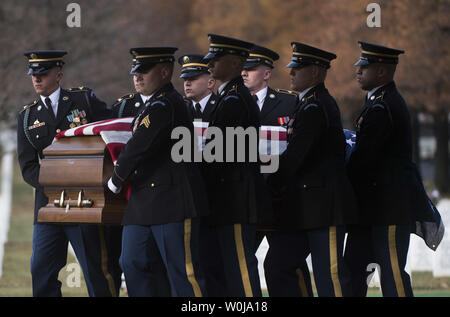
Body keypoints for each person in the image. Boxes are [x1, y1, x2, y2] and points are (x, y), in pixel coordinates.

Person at [107, 47, 208, 297]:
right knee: (132, 263)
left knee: (183, 275)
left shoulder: (166, 104)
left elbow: (139, 146)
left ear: (164, 73)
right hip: (144, 203)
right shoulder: (151, 105)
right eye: (135, 72)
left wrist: (115, 180)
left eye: (144, 71)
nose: (137, 77)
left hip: (172, 202)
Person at [17, 50, 119, 296]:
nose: (36, 79)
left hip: (86, 202)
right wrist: (53, 186)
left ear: (58, 75)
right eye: (33, 74)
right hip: (49, 204)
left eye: (43, 74)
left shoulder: (82, 101)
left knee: (96, 271)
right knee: (41, 270)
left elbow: (112, 130)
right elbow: (28, 166)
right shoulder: (27, 116)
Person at [266, 42, 358, 297]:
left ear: (316, 73)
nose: (291, 72)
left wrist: (267, 184)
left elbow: (294, 157)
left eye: (298, 68)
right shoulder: (305, 104)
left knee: (330, 277)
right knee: (278, 265)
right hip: (305, 207)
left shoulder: (316, 106)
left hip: (325, 207)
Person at [345, 41, 423, 297]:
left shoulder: (384, 106)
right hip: (374, 209)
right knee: (354, 273)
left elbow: (364, 160)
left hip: (389, 209)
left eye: (363, 67)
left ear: (381, 72)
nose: (357, 71)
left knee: (391, 274)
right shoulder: (379, 102)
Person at [241, 44, 312, 296]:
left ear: (267, 73)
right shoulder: (230, 102)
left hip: (281, 197)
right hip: (246, 197)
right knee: (240, 263)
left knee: (286, 266)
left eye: (250, 69)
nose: (244, 73)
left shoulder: (289, 102)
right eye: (242, 69)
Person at [202, 34, 262, 297]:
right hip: (228, 198)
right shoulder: (228, 97)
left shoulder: (234, 100)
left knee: (240, 270)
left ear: (237, 64)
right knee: (223, 269)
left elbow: (219, 153)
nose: (211, 64)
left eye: (218, 59)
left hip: (236, 198)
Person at [178, 54, 218, 122]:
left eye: (192, 79)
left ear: (210, 83)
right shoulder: (181, 109)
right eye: (185, 79)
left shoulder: (221, 106)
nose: (187, 84)